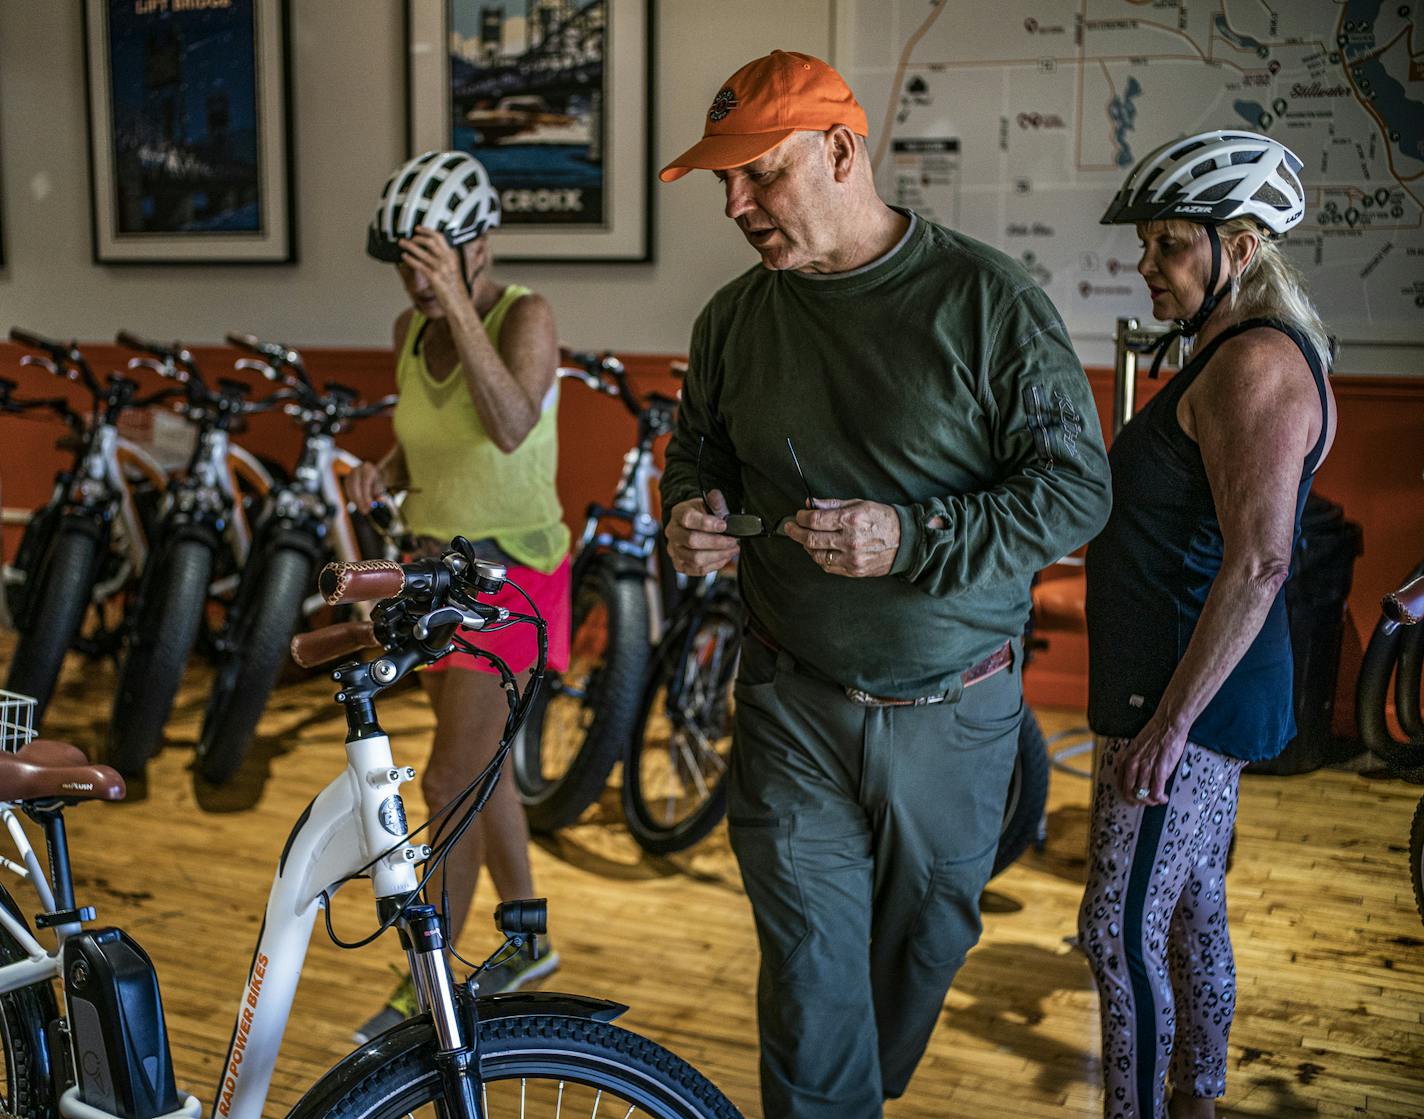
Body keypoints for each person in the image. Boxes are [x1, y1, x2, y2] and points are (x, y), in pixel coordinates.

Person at [658, 50, 1112, 1118]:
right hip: (789, 702)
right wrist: (689, 515)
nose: (735, 205)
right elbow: (698, 455)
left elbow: (1075, 493)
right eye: (724, 182)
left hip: (953, 713)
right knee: (812, 988)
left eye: (757, 175)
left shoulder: (985, 302)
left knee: (923, 947)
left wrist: (908, 536)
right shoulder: (732, 320)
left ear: (840, 152)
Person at [1080, 130, 1336, 1119]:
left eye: (1168, 245)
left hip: (1181, 700)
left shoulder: (1254, 364)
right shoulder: (1227, 351)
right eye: (1146, 245)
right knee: (1186, 913)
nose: (1145, 266)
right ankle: (1193, 1097)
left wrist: (1168, 728)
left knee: (1112, 929)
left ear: (1239, 244)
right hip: (1176, 689)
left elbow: (1261, 560)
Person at [349, 150, 571, 1041]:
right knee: (483, 767)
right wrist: (385, 469)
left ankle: (427, 990)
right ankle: (527, 934)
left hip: (513, 575)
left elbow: (511, 424)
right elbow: (430, 436)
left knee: (448, 778)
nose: (416, 275)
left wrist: (459, 309)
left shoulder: (527, 316)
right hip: (437, 570)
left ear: (481, 247)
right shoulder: (411, 325)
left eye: (433, 255)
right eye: (406, 259)